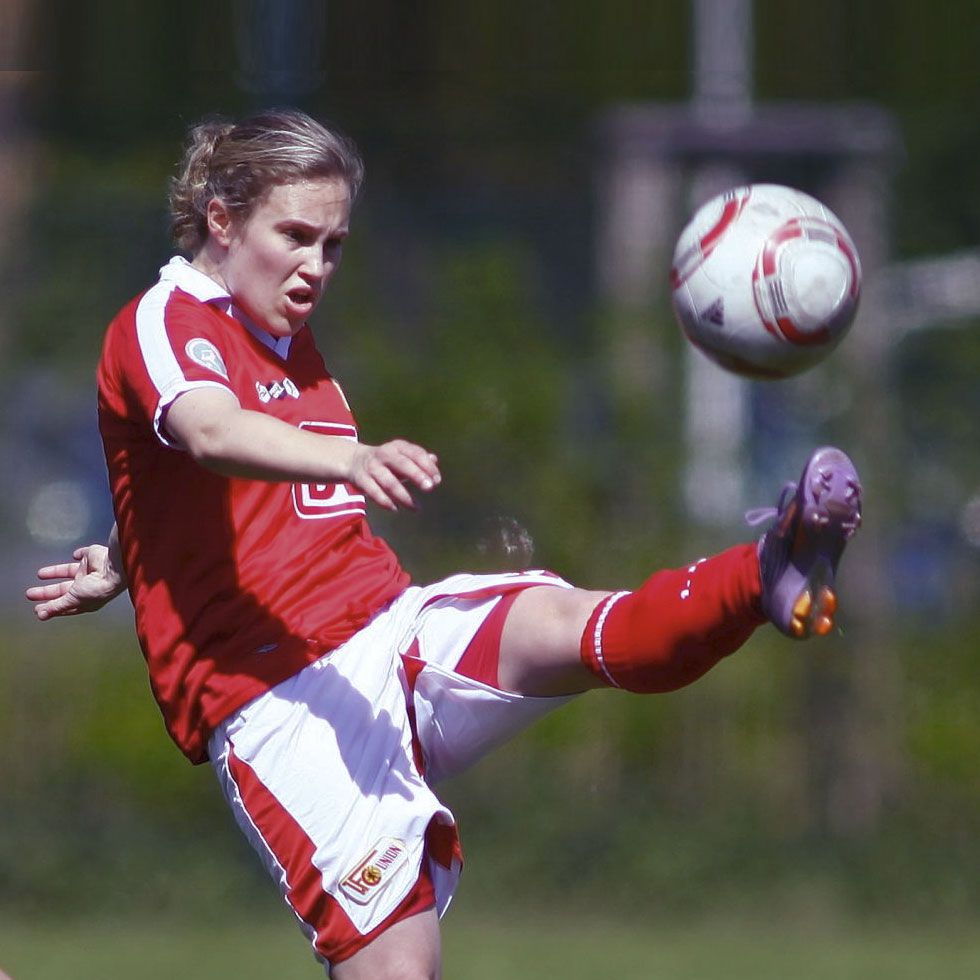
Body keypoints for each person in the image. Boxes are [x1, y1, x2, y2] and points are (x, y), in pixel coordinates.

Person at [26, 108, 863, 979]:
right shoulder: (166, 320)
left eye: (335, 244)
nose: (317, 267)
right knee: (399, 973)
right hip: (278, 700)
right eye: (297, 236)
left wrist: (130, 556)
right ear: (222, 219)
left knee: (564, 625)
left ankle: (768, 570)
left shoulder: (283, 334)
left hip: (385, 625)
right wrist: (348, 457)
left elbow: (201, 488)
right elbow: (206, 431)